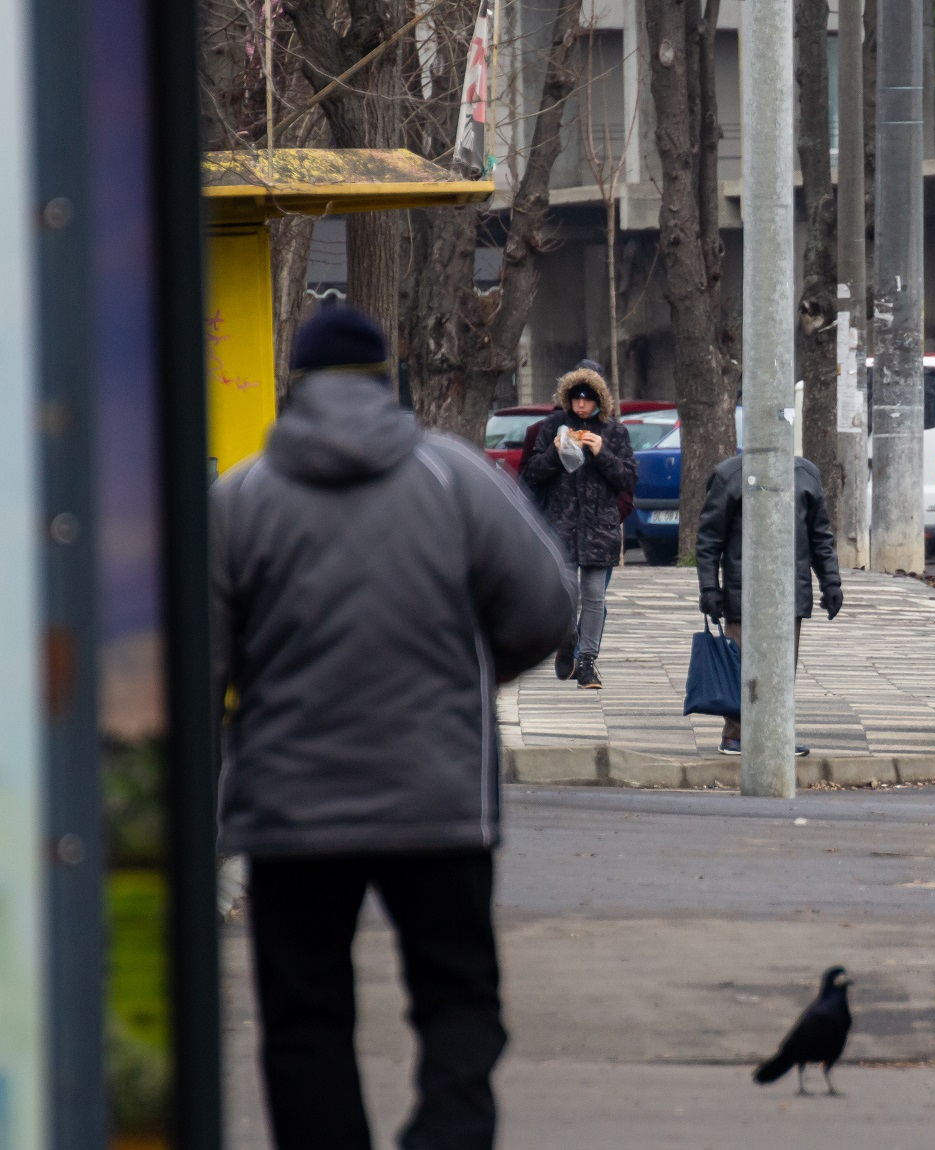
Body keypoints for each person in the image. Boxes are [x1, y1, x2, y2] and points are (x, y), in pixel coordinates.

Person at [210, 306, 573, 1150]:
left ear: (294, 388)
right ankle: (444, 1136)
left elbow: (196, 661)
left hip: (292, 811)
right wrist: (469, 676)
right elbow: (547, 607)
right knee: (457, 1001)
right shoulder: (455, 477)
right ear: (385, 382)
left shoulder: (241, 498)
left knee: (304, 1018)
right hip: (437, 798)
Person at [695, 453, 843, 756]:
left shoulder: (805, 474)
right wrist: (709, 588)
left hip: (790, 593)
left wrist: (831, 583)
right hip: (743, 592)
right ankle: (736, 734)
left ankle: (776, 733)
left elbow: (820, 537)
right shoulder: (730, 474)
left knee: (782, 669)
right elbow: (709, 539)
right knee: (742, 667)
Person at [520, 365, 638, 687]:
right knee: (565, 592)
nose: (581, 404)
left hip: (599, 527)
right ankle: (567, 639)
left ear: (599, 400)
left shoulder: (614, 432)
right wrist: (556, 453)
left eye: (587, 398)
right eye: (575, 398)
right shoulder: (553, 427)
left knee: (594, 594)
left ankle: (586, 661)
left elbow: (627, 478)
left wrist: (601, 453)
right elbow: (531, 473)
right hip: (562, 525)